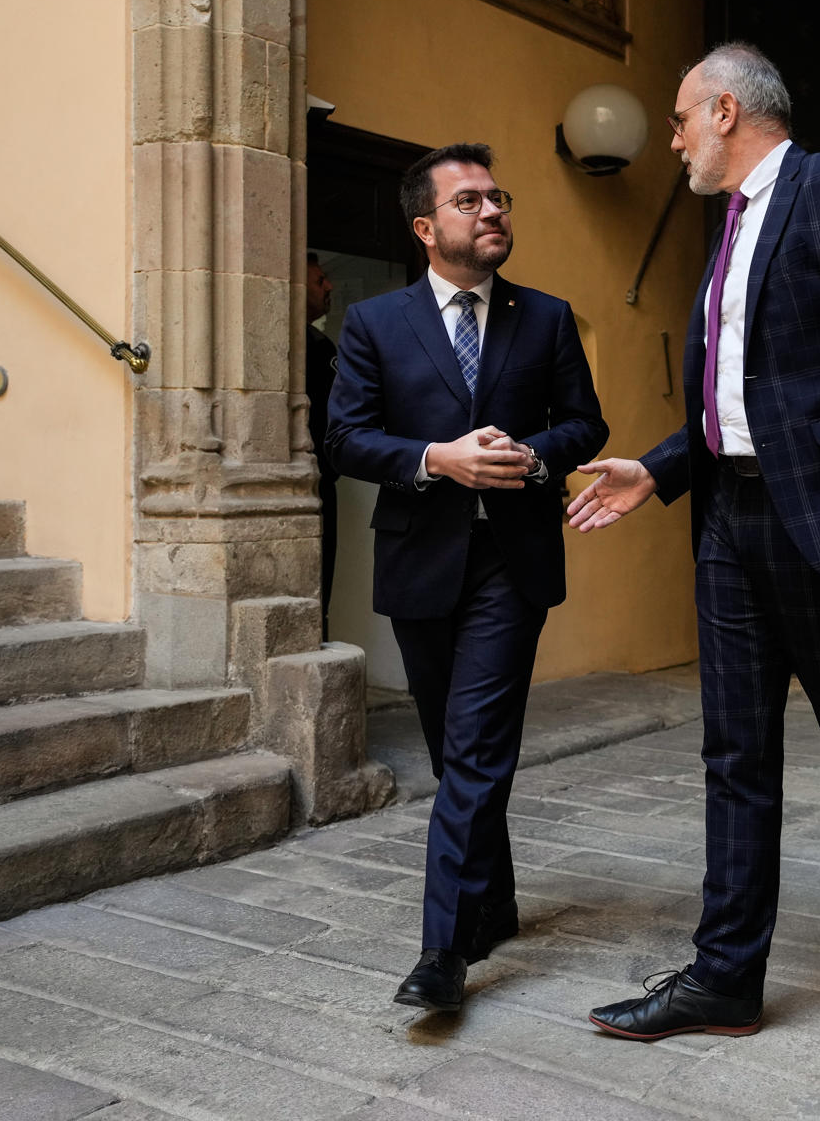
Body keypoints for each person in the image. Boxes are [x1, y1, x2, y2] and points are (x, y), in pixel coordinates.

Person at [567, 43, 820, 1043]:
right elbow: (738, 399)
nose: (674, 136)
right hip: (731, 521)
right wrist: (655, 469)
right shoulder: (730, 227)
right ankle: (726, 975)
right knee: (735, 751)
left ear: (727, 109)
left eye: (682, 117)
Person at [327, 142, 608, 1013]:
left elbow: (585, 425)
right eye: (470, 202)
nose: (492, 212)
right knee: (459, 753)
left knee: (479, 747)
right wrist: (434, 458)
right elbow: (343, 438)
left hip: (510, 563)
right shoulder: (376, 323)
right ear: (425, 227)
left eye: (499, 197)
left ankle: (443, 952)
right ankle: (496, 901)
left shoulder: (547, 317)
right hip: (421, 558)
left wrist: (531, 459)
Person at [305, 253, 339, 637]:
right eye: (319, 281)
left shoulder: (319, 345)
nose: (329, 287)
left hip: (318, 482)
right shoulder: (311, 345)